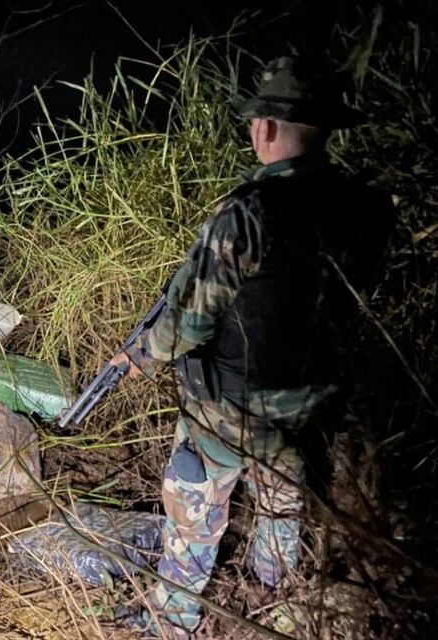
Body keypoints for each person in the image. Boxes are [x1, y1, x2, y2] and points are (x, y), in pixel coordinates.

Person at [111, 56, 394, 637]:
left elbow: (188, 325)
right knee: (283, 501)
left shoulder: (248, 212)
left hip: (233, 407)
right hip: (315, 400)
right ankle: (277, 604)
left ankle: (174, 618)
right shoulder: (364, 208)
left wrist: (138, 357)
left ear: (264, 127)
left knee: (193, 506)